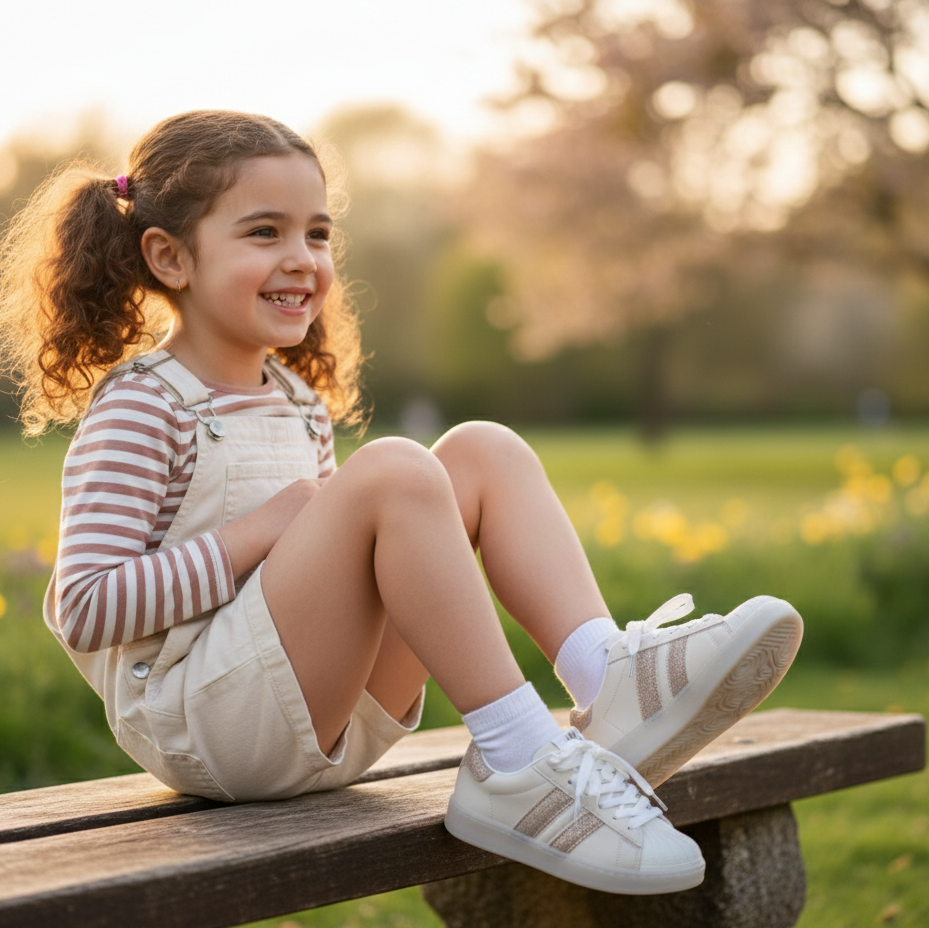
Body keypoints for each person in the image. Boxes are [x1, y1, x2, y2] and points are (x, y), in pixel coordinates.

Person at [0, 110, 803, 896]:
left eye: (317, 233)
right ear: (169, 257)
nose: (302, 258)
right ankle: (518, 758)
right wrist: (260, 531)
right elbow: (86, 608)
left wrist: (299, 528)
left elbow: (336, 584)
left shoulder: (293, 400)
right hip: (208, 730)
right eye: (263, 232)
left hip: (331, 720)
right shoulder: (144, 406)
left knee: (481, 450)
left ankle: (607, 678)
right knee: (393, 471)